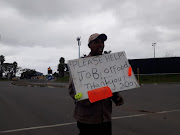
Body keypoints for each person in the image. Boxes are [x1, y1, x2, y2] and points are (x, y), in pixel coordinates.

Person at [68, 33, 124, 135]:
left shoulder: (108, 64)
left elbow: (111, 85)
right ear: (89, 46)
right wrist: (90, 99)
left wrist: (116, 96)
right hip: (87, 119)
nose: (100, 44)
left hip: (105, 118)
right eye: (96, 42)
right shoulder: (80, 65)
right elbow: (72, 91)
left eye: (102, 42)